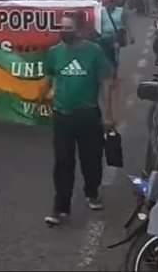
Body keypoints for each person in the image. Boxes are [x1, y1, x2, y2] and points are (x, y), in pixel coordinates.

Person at [42, 12, 115, 226]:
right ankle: (60, 207)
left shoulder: (94, 52)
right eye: (61, 27)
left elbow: (106, 82)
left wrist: (109, 114)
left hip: (88, 115)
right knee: (63, 161)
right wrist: (43, 93)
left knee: (91, 159)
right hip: (62, 115)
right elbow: (49, 77)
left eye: (68, 28)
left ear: (80, 30)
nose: (63, 32)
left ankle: (92, 193)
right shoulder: (54, 53)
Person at [98, 0, 133, 72]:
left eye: (112, 1)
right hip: (104, 37)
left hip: (116, 37)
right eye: (109, 1)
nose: (111, 3)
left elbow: (126, 23)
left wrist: (131, 36)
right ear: (106, 2)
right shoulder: (101, 11)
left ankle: (114, 74)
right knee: (105, 57)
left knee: (115, 57)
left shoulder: (120, 11)